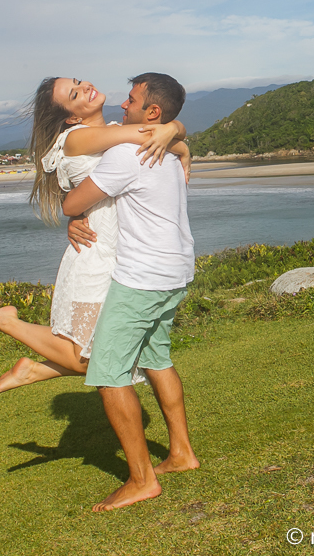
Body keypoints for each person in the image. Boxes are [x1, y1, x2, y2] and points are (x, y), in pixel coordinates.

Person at [0, 75, 190, 399]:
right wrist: (177, 133)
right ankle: (11, 325)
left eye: (78, 81)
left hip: (122, 253)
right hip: (95, 253)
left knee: (110, 357)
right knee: (93, 359)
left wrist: (176, 136)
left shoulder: (113, 131)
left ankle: (32, 369)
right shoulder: (77, 138)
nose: (85, 86)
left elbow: (151, 132)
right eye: (75, 94)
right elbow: (152, 131)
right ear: (72, 116)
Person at [60, 72, 198, 512]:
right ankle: (181, 453)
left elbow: (71, 204)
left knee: (106, 373)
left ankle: (141, 480)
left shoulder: (126, 153)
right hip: (177, 269)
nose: (123, 105)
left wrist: (72, 214)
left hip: (142, 277)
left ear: (151, 113)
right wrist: (177, 134)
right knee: (157, 358)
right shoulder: (167, 153)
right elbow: (173, 141)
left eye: (132, 100)